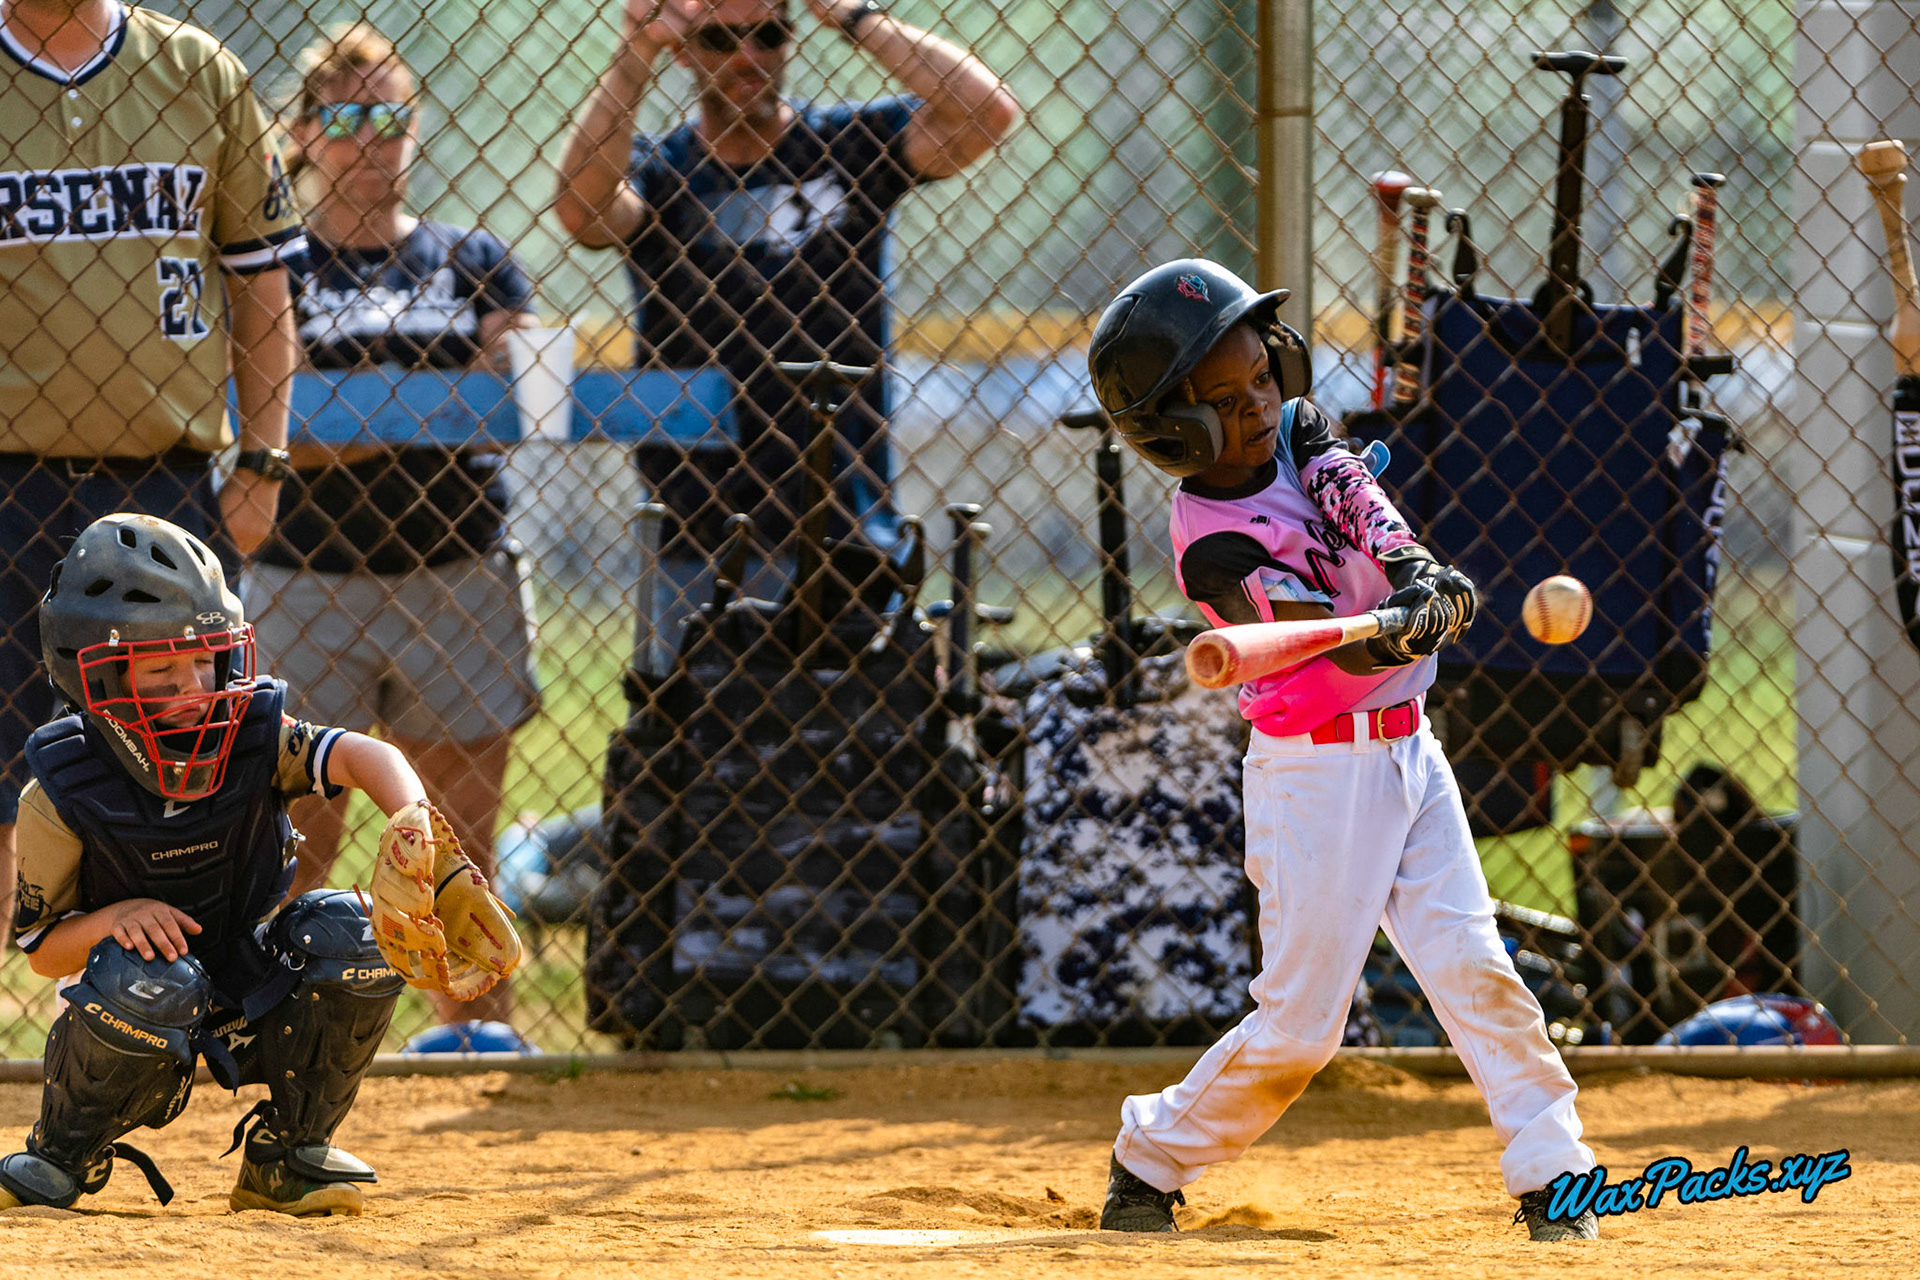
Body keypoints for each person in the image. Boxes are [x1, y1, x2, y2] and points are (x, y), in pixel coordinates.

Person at [1085, 259, 1600, 1242]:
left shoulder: (1296, 431)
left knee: (1473, 962)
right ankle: (1152, 1155)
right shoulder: (1214, 547)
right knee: (1300, 1029)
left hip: (1411, 752)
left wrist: (1411, 568)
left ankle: (1552, 1168)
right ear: (1172, 428)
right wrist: (1398, 630)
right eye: (1226, 403)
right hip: (1316, 775)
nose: (1259, 408)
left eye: (1260, 380)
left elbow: (1349, 488)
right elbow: (1323, 654)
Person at [0, 514, 518, 1216]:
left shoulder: (252, 731)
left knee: (356, 936)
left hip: (249, 974)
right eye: (161, 670)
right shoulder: (60, 788)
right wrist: (111, 920)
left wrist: (412, 822)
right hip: (138, 992)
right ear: (95, 675)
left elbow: (367, 755)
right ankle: (65, 1151)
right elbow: (43, 954)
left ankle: (288, 1155)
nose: (193, 686)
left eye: (207, 659)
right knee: (143, 977)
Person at [238, 26, 540, 1037]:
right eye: (349, 115)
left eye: (392, 113)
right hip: (302, 571)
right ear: (307, 134)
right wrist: (429, 407)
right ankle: (283, 1017)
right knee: (293, 830)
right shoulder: (273, 258)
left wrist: (343, 413)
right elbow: (265, 415)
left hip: (453, 565)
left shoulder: (472, 257)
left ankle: (472, 1021)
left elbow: (516, 392)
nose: (374, 137)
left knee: (455, 830)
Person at [554, 0, 1018, 639]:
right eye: (720, 39)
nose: (747, 57)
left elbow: (986, 113)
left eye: (767, 33)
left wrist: (856, 17)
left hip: (844, 520)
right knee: (701, 725)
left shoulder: (848, 148)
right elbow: (583, 212)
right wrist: (636, 51)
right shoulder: (659, 172)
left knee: (857, 725)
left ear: (790, 39)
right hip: (701, 524)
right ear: (685, 53)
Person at [0, 0, 303, 950]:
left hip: (170, 486)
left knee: (196, 760)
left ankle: (177, 1014)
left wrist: (261, 460)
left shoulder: (199, 69)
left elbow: (260, 284)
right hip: (8, 480)